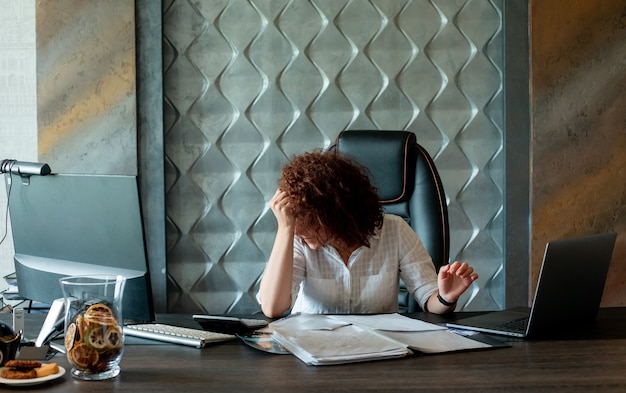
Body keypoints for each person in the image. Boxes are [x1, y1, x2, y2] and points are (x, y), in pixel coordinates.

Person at [258, 150, 478, 318]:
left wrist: (445, 297)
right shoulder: (298, 238)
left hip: (380, 353)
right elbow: (272, 308)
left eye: (308, 221)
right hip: (312, 354)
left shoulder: (396, 230)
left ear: (337, 213)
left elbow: (430, 300)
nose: (299, 229)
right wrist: (285, 228)